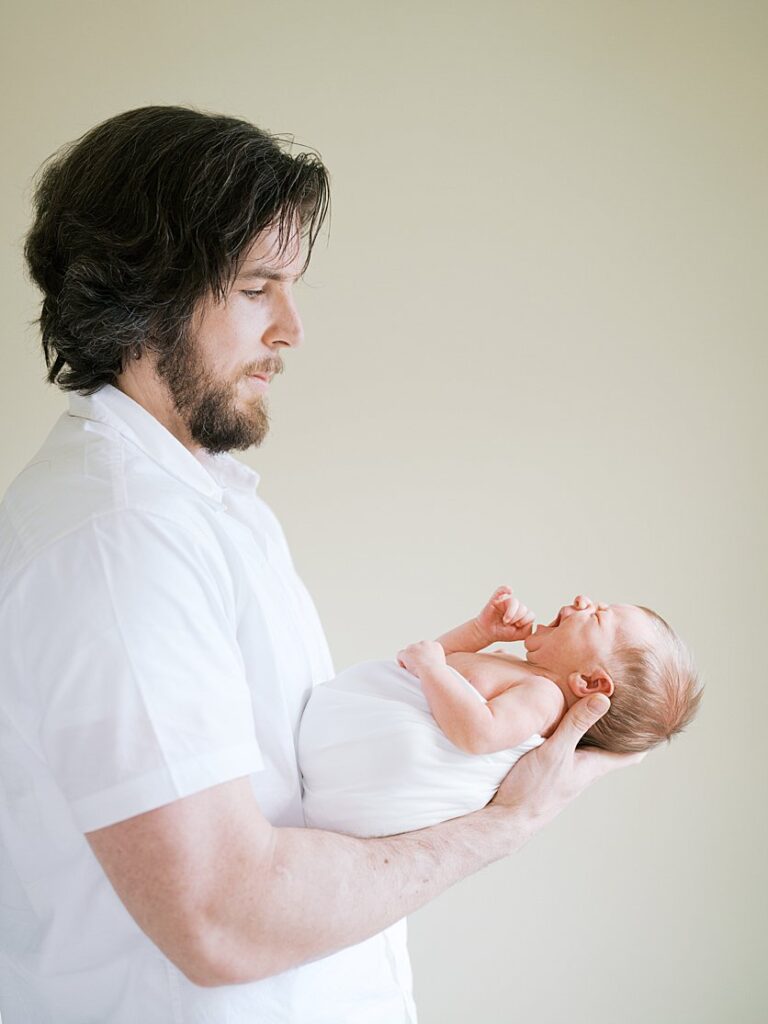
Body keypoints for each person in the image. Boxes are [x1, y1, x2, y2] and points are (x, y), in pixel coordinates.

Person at [0, 105, 642, 1024]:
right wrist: (505, 823)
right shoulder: (117, 541)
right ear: (142, 296)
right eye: (258, 288)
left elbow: (288, 796)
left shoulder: (203, 499)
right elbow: (223, 918)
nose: (293, 327)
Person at [299, 587, 700, 838]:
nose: (582, 600)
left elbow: (476, 733)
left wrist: (432, 668)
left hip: (364, 778)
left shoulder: (542, 699)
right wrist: (479, 632)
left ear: (591, 683)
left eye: (597, 615)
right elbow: (432, 669)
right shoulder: (523, 674)